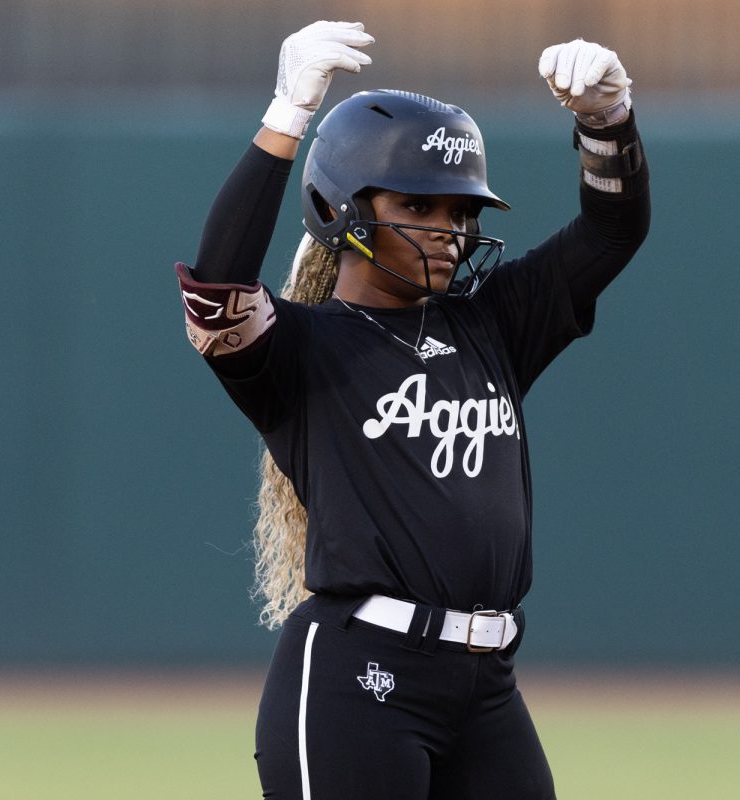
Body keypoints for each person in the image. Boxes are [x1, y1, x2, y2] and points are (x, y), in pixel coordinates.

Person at [175, 19, 650, 800]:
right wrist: (286, 117)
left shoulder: (494, 321)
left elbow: (613, 228)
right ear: (344, 208)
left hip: (487, 687)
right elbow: (219, 290)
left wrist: (608, 120)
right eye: (419, 206)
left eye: (462, 213)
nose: (448, 231)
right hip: (357, 682)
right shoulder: (303, 350)